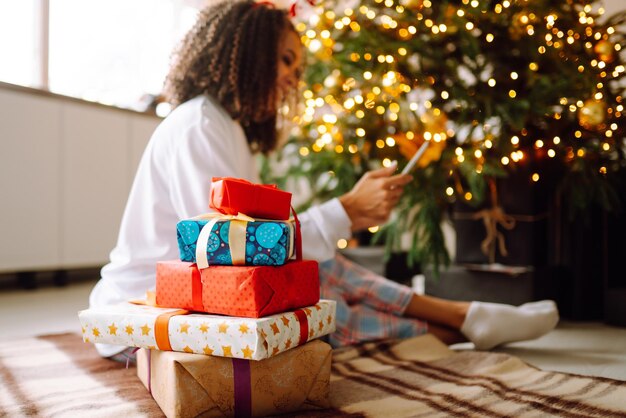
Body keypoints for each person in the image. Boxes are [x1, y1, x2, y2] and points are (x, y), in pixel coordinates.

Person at [90, 0, 558, 360]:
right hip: (147, 310)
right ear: (250, 56)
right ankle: (460, 325)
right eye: (286, 61)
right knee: (317, 291)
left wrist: (344, 215)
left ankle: (463, 322)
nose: (294, 79)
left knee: (318, 275)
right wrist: (347, 211)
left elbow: (248, 251)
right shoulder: (199, 126)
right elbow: (229, 253)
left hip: (203, 295)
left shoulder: (223, 127)